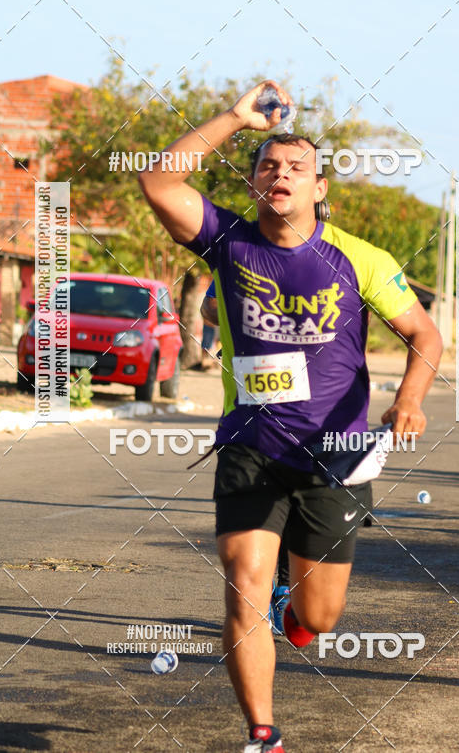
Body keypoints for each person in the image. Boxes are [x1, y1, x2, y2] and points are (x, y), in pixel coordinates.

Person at [139, 80, 443, 753]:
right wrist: (235, 119)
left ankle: (296, 607)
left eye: (296, 167)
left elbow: (426, 336)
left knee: (319, 617)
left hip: (335, 456)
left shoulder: (360, 259)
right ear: (252, 183)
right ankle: (263, 735)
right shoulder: (227, 243)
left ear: (319, 188)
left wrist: (410, 399)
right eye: (268, 165)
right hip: (251, 447)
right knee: (242, 587)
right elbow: (160, 186)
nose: (280, 174)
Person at [201, 279, 292, 632]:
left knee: (291, 500)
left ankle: (285, 586)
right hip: (248, 404)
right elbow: (207, 308)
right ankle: (260, 588)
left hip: (304, 402)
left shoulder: (324, 257)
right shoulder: (237, 255)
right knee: (255, 498)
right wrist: (240, 318)